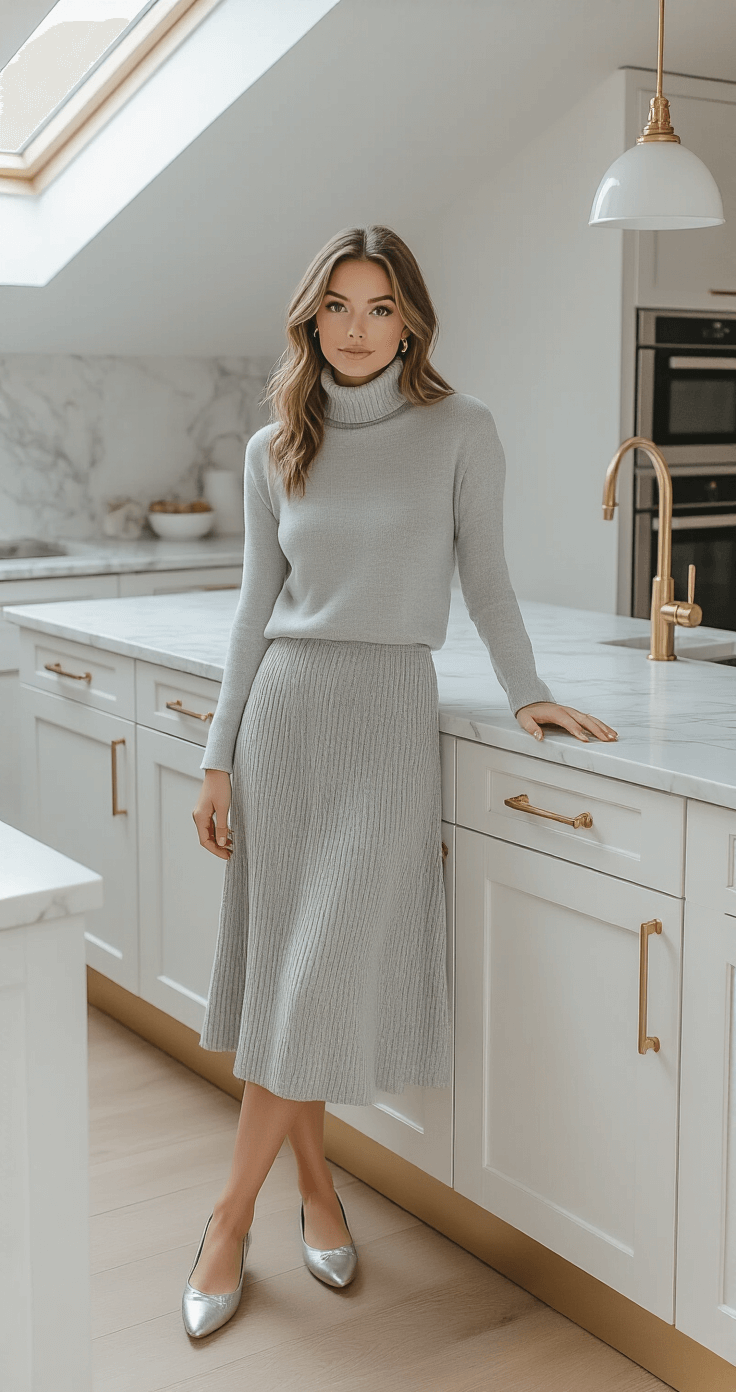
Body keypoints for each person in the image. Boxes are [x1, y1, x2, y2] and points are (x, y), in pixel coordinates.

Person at [184, 225, 618, 1338]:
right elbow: (251, 612)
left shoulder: (461, 430)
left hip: (384, 721)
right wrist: (216, 754)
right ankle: (311, 1192)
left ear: (413, 318)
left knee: (316, 976)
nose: (359, 328)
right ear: (310, 318)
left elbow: (490, 580)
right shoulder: (276, 442)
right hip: (286, 717)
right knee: (293, 978)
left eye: (381, 307)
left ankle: (227, 1217)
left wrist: (527, 693)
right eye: (338, 306)